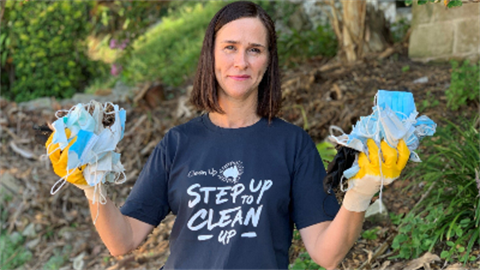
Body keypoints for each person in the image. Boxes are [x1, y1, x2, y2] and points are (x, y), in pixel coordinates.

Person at [49, 1, 410, 269]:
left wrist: (361, 192)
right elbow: (122, 240)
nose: (241, 62)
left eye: (254, 50)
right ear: (212, 55)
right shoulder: (178, 143)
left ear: (268, 61)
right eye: (230, 48)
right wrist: (92, 185)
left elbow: (327, 254)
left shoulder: (292, 145)